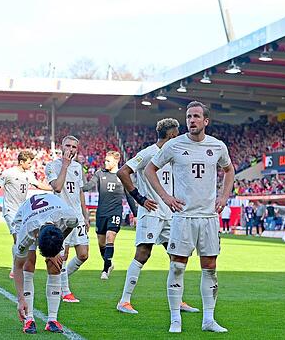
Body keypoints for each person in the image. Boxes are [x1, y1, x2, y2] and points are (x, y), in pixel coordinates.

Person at [145, 101, 235, 333]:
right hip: (183, 217)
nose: (191, 120)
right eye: (188, 116)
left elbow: (229, 170)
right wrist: (165, 197)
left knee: (210, 267)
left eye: (196, 116)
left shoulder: (217, 146)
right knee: (177, 267)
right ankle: (176, 319)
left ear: (205, 121)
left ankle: (208, 320)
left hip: (208, 218)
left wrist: (224, 196)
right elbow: (149, 170)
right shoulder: (174, 145)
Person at [114, 118, 198, 314]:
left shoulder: (173, 155)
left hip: (170, 213)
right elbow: (123, 172)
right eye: (177, 135)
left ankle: (178, 300)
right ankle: (124, 301)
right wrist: (139, 198)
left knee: (177, 255)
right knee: (143, 253)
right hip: (151, 212)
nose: (179, 138)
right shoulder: (148, 153)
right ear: (171, 136)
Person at [11, 192, 79, 334]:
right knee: (28, 263)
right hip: (25, 217)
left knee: (56, 265)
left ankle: (52, 320)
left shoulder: (71, 217)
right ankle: (29, 319)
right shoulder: (27, 232)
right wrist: (20, 299)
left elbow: (69, 227)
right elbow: (17, 267)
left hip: (53, 216)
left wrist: (57, 250)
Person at [0, 150, 52, 278]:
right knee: (18, 238)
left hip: (22, 211)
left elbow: (38, 185)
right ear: (21, 162)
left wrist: (54, 188)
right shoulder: (9, 173)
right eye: (29, 162)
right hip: (10, 210)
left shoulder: (28, 174)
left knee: (21, 239)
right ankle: (15, 269)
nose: (31, 165)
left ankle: (14, 267)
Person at [46, 136, 89, 303]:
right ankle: (65, 290)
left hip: (77, 216)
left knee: (83, 255)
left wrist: (85, 216)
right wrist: (64, 165)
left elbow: (79, 192)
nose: (71, 149)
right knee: (63, 255)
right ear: (61, 147)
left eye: (74, 147)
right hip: (61, 217)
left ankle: (61, 278)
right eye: (68, 146)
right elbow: (57, 187)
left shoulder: (78, 167)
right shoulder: (52, 166)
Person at [83, 150, 137, 280]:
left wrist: (135, 214)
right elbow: (89, 186)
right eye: (105, 160)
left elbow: (129, 196)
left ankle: (105, 270)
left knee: (110, 236)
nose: (105, 163)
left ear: (116, 161)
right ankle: (109, 263)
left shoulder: (122, 175)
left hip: (115, 212)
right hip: (101, 213)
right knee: (101, 243)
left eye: (108, 161)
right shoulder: (99, 174)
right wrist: (76, 187)